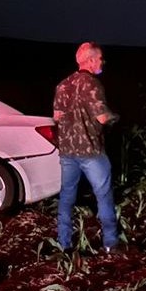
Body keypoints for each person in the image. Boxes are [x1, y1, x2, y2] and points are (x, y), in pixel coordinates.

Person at [52, 42, 121, 254]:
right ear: (90, 61)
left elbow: (56, 117)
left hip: (67, 151)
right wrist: (116, 117)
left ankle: (64, 244)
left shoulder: (62, 85)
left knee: (66, 198)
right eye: (100, 59)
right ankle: (110, 244)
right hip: (91, 152)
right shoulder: (92, 84)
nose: (102, 62)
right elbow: (101, 117)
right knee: (103, 195)